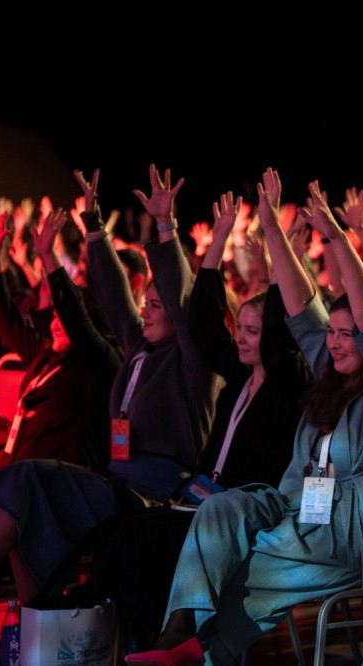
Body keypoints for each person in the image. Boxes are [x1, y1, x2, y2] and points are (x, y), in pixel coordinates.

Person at [124, 169, 363, 666]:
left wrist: (336, 237)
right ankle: (179, 628)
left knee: (264, 553)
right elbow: (301, 308)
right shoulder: (326, 376)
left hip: (344, 534)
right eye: (334, 332)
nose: (335, 341)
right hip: (293, 508)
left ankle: (197, 652)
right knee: (223, 510)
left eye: (349, 335)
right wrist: (269, 229)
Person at [0, 166, 219, 664]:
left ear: (178, 314)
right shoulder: (139, 354)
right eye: (144, 302)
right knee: (22, 482)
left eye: (156, 305)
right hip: (113, 479)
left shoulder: (195, 361)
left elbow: (177, 297)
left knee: (29, 483)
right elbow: (110, 296)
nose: (146, 310)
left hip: (153, 493)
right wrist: (93, 231)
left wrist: (168, 230)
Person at [81, 191, 312, 653]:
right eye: (241, 329)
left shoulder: (287, 384)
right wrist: (218, 241)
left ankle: (163, 634)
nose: (241, 339)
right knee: (119, 530)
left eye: (252, 332)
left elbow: (292, 323)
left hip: (242, 509)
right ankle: (124, 629)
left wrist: (274, 240)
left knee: (148, 535)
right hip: (200, 496)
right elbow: (204, 323)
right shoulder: (238, 375)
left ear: (275, 335)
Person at [0, 208, 120, 664]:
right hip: (12, 479)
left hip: (55, 484)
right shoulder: (45, 358)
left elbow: (77, 323)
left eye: (62, 320)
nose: (53, 323)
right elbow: (6, 318)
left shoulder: (94, 371)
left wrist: (49, 256)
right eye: (51, 318)